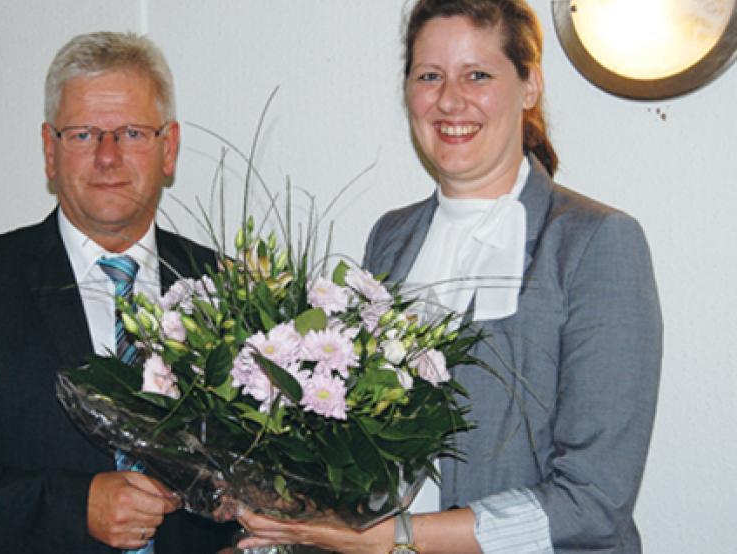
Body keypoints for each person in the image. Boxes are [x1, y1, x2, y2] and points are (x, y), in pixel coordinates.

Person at [237, 1, 662, 553]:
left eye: (477, 75)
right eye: (429, 76)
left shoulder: (593, 243)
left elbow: (594, 504)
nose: (449, 100)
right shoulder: (390, 239)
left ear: (530, 85)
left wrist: (398, 539)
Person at [0, 31, 234, 554]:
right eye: (84, 135)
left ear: (168, 148)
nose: (108, 157)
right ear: (50, 150)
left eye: (132, 132)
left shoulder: (226, 287)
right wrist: (72, 507)